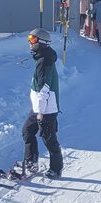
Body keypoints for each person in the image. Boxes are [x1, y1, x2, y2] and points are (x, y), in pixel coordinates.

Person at [22, 28, 64, 178]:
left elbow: (43, 88)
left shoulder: (44, 61)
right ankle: (31, 162)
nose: (30, 43)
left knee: (49, 138)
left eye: (33, 40)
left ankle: (56, 169)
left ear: (42, 43)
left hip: (46, 109)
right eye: (29, 39)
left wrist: (40, 112)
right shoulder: (42, 58)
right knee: (27, 130)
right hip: (39, 107)